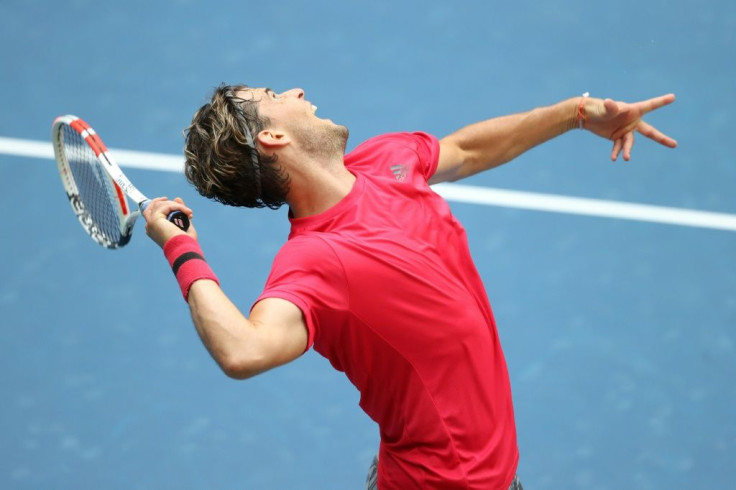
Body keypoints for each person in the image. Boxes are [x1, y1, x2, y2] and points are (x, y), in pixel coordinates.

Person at [142, 85, 676, 490]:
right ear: (272, 137)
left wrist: (578, 114)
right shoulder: (315, 261)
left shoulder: (384, 161)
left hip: (484, 472)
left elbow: (465, 149)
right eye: (274, 96)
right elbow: (243, 350)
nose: (296, 93)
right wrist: (182, 249)